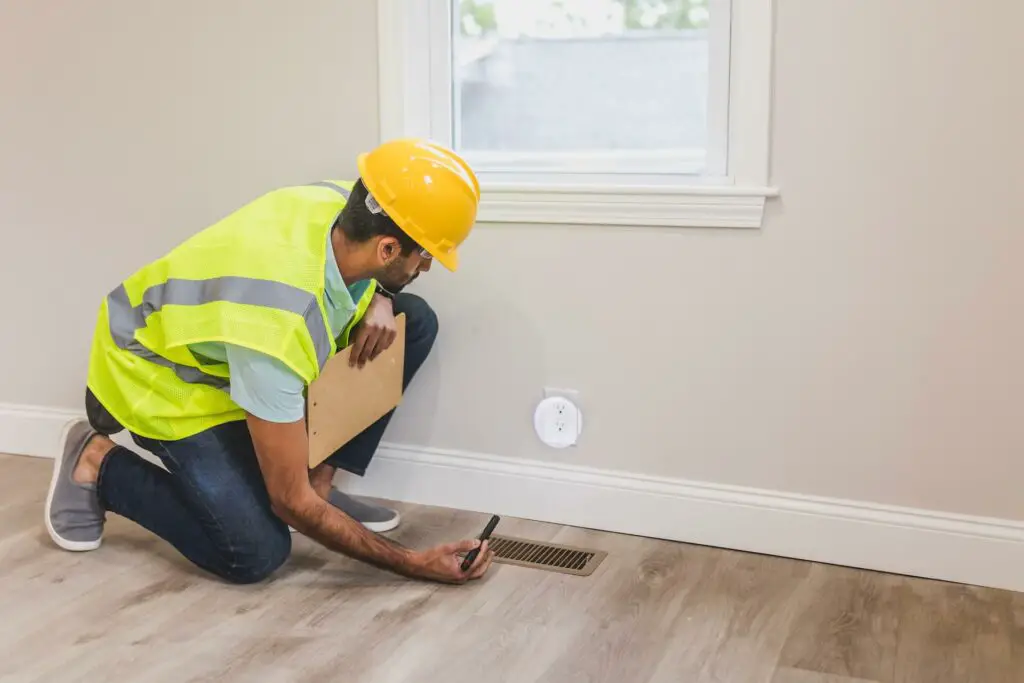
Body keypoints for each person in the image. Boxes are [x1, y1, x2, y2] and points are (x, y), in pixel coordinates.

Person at [44, 138, 494, 585]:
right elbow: (287, 501)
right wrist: (414, 563)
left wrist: (382, 294)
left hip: (233, 355)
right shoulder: (277, 326)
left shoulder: (345, 202)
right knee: (255, 550)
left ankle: (320, 484)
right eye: (427, 255)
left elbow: (380, 267)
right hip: (159, 376)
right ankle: (97, 462)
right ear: (388, 250)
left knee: (409, 320)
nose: (429, 267)